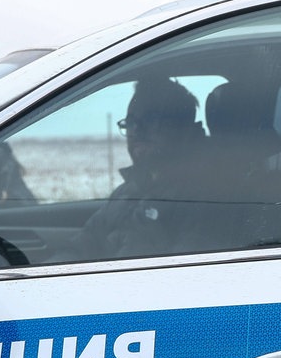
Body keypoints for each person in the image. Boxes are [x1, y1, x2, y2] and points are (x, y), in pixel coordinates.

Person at [73, 75, 208, 260]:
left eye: (152, 120)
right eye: (131, 123)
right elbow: (77, 250)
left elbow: (188, 279)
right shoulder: (127, 192)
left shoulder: (208, 200)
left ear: (185, 130)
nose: (137, 130)